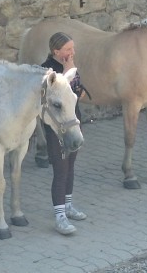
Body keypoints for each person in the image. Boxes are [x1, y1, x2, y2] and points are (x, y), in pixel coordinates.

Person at [41, 32, 87, 235]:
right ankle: (59, 216)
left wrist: (72, 73)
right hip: (57, 129)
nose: (72, 53)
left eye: (73, 48)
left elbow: (80, 94)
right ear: (56, 51)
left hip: (73, 123)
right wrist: (68, 72)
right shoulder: (48, 71)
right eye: (68, 49)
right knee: (60, 169)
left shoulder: (69, 67)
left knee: (71, 166)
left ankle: (68, 206)